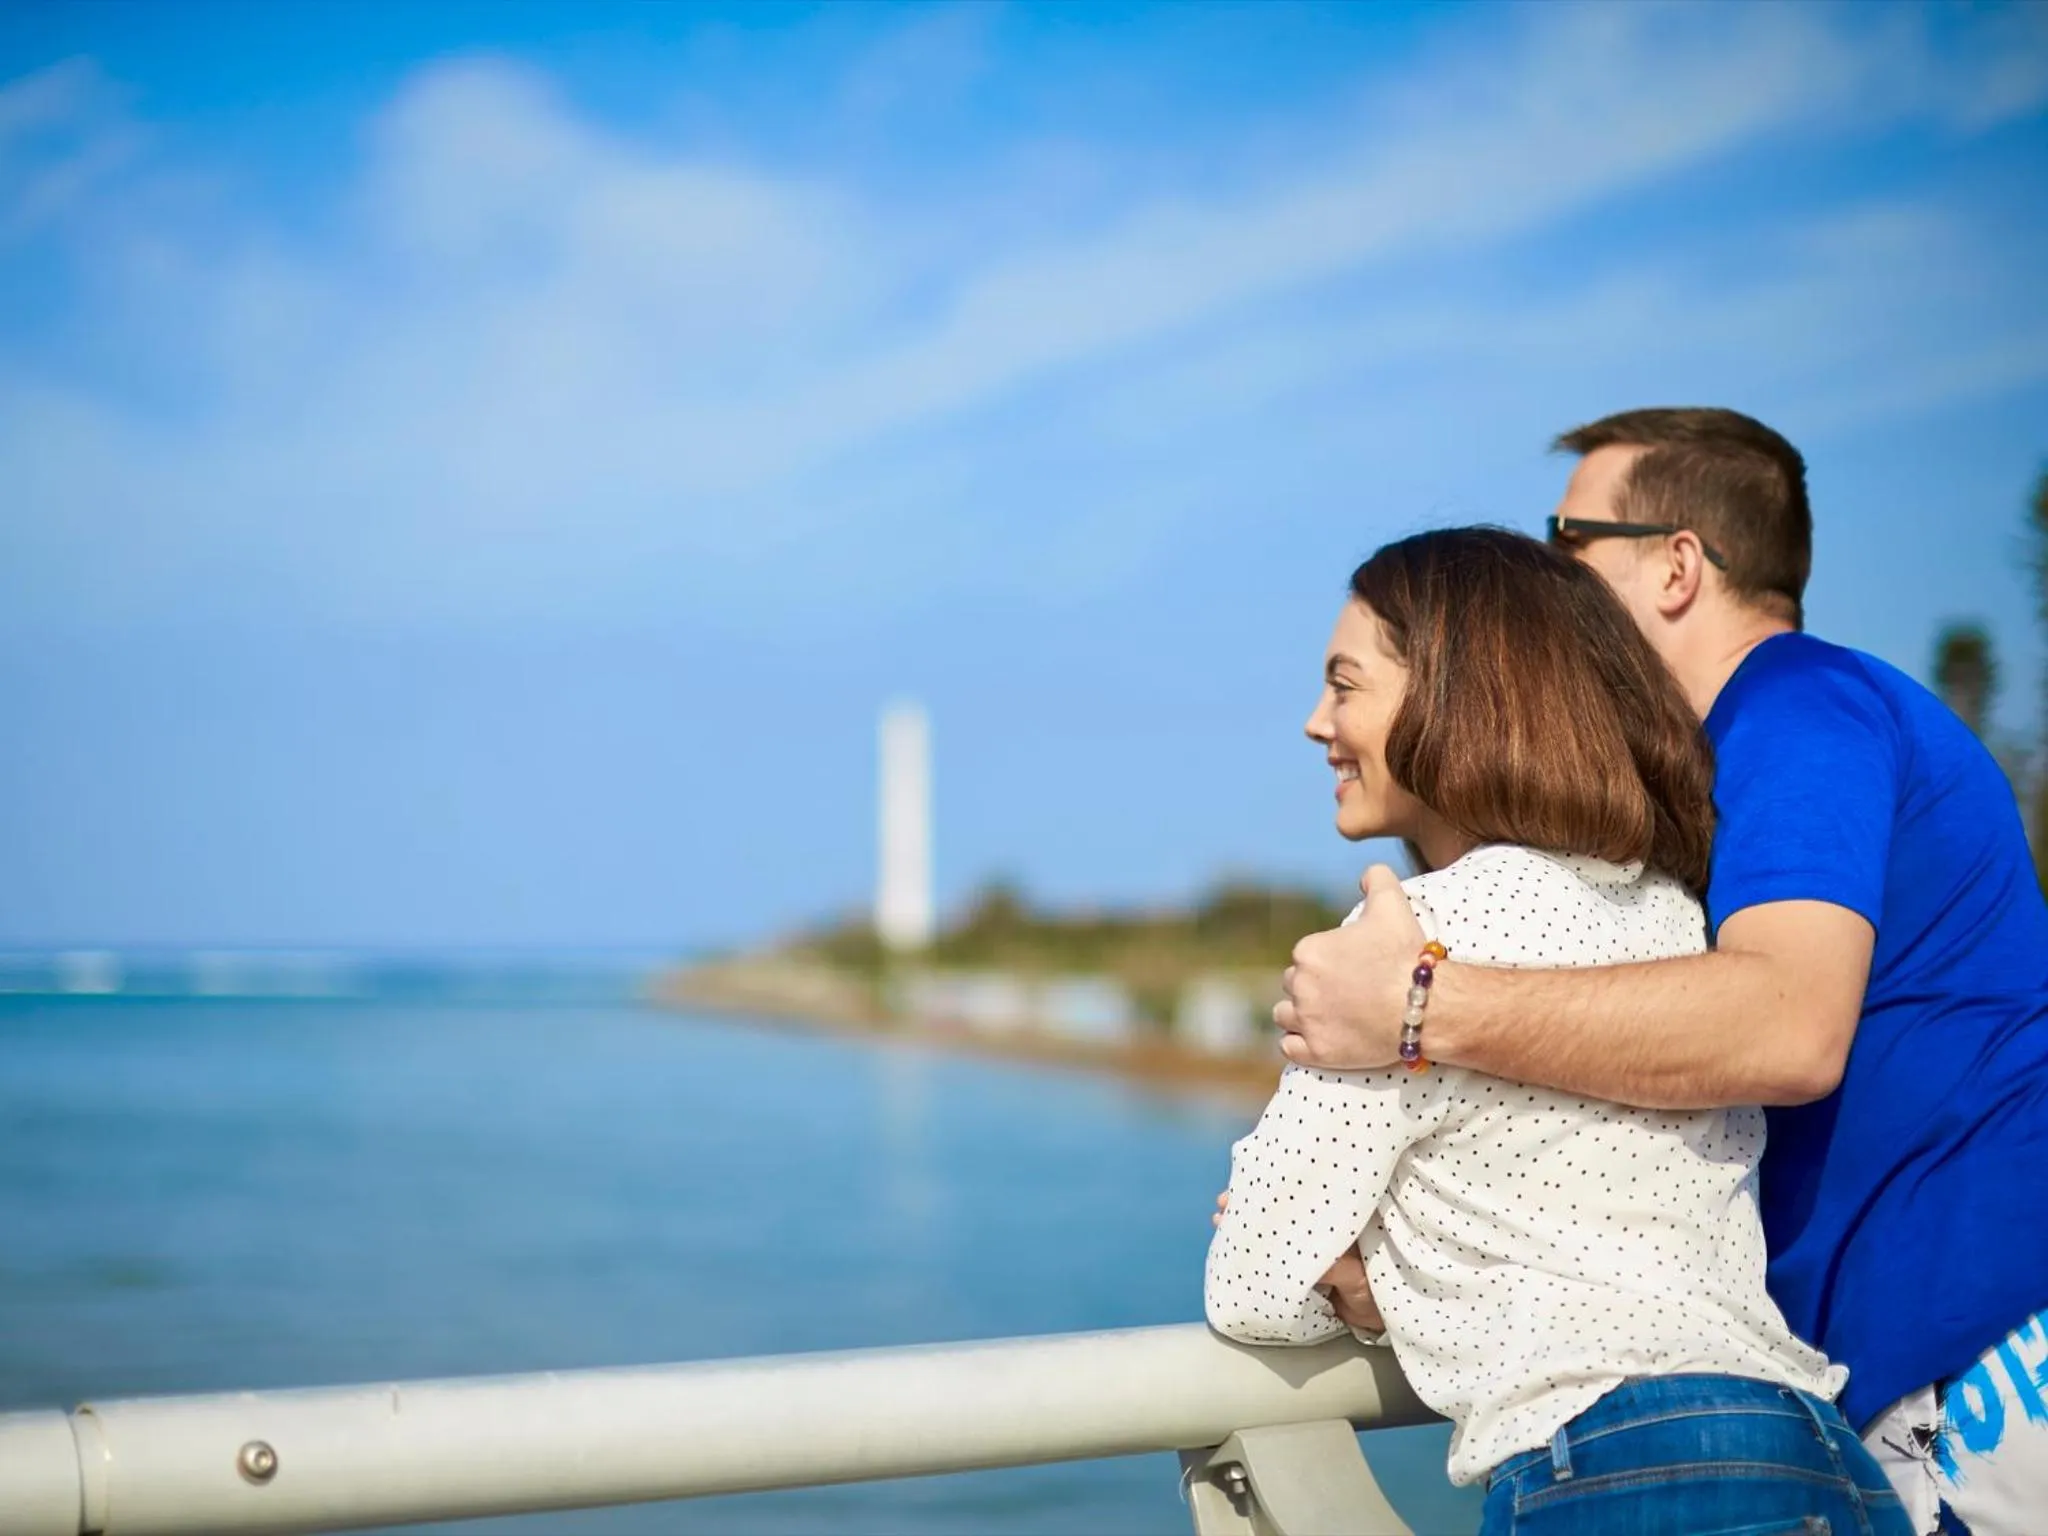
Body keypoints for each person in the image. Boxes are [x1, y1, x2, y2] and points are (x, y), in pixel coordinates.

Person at [1277, 410, 2048, 1536]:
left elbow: (1785, 1023)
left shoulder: (1790, 710)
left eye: (1564, 543)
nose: (1541, 579)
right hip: (1875, 1384)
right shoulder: (1714, 774)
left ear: (1677, 564)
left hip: (1974, 1351)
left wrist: (1413, 1008)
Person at [1205, 526, 1909, 1535]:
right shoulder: (1671, 916)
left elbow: (1252, 1281)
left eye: (1344, 684)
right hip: (1818, 1458)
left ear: (1455, 695)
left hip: (1621, 1471)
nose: (1316, 722)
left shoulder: (1406, 941)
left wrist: (1367, 1286)